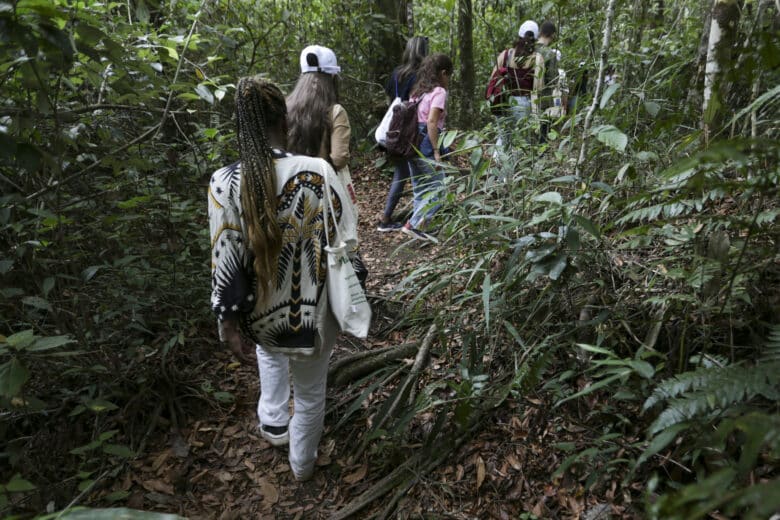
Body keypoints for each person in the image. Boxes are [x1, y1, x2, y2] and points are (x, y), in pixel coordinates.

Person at [208, 76, 357, 482]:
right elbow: (348, 239)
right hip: (314, 317)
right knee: (310, 395)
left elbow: (226, 259)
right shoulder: (318, 171)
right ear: (284, 121)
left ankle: (273, 424)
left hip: (261, 320)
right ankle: (302, 467)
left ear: (240, 126)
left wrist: (229, 323)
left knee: (270, 354)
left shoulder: (224, 182)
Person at [287, 45, 355, 207]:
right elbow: (339, 158)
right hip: (321, 191)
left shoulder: (285, 106)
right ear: (332, 77)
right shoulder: (335, 112)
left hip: (288, 188)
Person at [400, 53, 454, 244]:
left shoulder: (418, 91)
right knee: (440, 187)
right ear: (443, 73)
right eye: (448, 75)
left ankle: (420, 229)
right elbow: (432, 122)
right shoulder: (439, 91)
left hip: (411, 142)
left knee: (421, 188)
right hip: (425, 142)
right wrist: (436, 150)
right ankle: (413, 225)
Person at [377, 36, 429, 232]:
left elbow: (391, 98)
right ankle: (401, 219)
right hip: (411, 130)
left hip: (394, 127)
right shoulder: (421, 76)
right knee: (412, 173)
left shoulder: (396, 73)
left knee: (403, 172)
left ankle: (390, 217)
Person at [533, 21, 560, 142]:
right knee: (544, 130)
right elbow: (553, 77)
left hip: (524, 95)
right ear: (552, 35)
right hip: (543, 97)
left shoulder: (528, 49)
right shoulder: (549, 53)